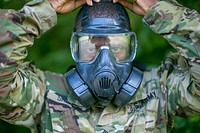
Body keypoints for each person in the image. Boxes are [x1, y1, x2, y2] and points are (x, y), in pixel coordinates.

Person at [0, 0, 199, 133]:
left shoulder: (162, 93)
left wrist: (161, 11)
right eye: (91, 46)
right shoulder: (45, 95)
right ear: (74, 48)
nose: (105, 59)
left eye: (117, 46)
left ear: (132, 48)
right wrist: (45, 8)